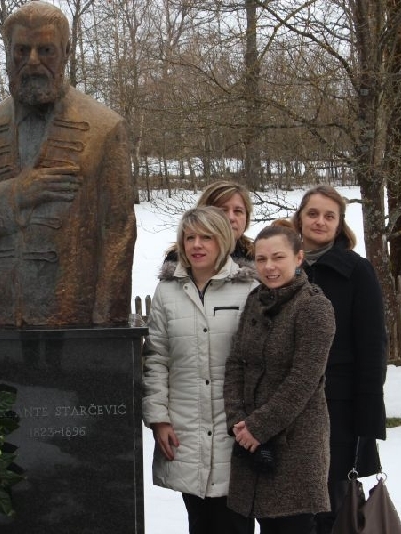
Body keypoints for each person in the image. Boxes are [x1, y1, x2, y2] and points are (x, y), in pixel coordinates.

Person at [0, 1, 136, 327]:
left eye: (46, 50)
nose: (33, 62)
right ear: (8, 54)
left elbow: (118, 234)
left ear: (66, 52)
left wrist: (107, 325)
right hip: (6, 317)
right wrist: (18, 193)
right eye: (22, 50)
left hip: (76, 320)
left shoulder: (104, 128)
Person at [143, 206, 256, 534]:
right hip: (185, 431)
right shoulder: (167, 292)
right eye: (189, 237)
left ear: (222, 240)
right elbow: (156, 359)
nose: (197, 244)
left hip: (234, 430)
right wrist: (159, 419)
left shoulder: (248, 288)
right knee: (200, 522)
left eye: (206, 236)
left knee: (234, 522)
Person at [224, 223, 335, 533]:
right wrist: (238, 421)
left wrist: (258, 427)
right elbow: (236, 363)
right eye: (261, 259)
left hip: (295, 445)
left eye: (278, 257)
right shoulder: (255, 300)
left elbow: (304, 380)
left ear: (298, 258)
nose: (269, 266)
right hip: (250, 442)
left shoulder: (314, 307)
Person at [291, 185, 387, 534]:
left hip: (339, 410)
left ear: (339, 224)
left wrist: (367, 422)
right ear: (299, 218)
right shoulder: (281, 267)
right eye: (313, 213)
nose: (319, 221)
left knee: (332, 507)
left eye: (329, 216)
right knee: (292, 512)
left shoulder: (357, 271)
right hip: (286, 410)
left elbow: (372, 348)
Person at [165, 180, 255, 264]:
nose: (230, 218)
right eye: (222, 210)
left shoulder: (258, 256)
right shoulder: (179, 260)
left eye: (238, 211)